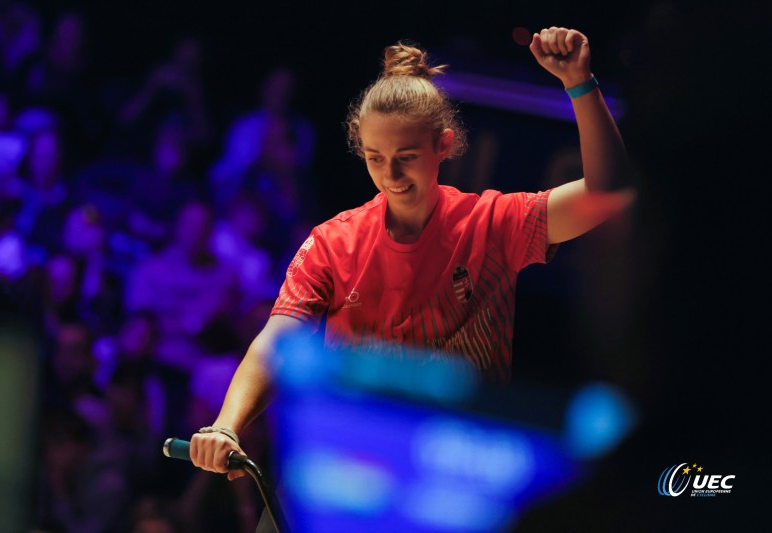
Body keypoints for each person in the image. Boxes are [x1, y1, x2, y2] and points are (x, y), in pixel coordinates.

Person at [190, 26, 634, 486]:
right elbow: (276, 343)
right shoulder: (331, 242)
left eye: (406, 156)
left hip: (449, 474)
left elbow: (607, 193)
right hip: (350, 469)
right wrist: (227, 425)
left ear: (443, 145)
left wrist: (579, 85)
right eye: (374, 158)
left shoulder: (493, 222)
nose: (391, 175)